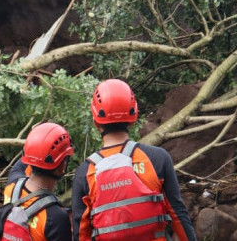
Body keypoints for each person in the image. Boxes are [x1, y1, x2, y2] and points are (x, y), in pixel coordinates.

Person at [72, 79, 197, 241]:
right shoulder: (157, 158)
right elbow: (179, 215)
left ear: (96, 120)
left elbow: (81, 234)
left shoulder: (85, 173)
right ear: (133, 116)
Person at [5, 122, 74, 241]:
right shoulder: (56, 217)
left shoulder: (11, 187)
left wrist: (37, 140)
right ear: (62, 166)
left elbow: (21, 164)